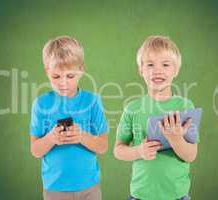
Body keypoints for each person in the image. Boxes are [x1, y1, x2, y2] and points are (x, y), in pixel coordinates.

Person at [114, 35, 199, 200]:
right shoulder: (132, 109)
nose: (157, 70)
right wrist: (139, 151)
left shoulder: (186, 106)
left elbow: (191, 155)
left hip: (177, 195)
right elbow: (118, 150)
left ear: (176, 70)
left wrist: (176, 139)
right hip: (140, 195)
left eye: (166, 65)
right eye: (150, 64)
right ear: (141, 70)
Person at [29, 36, 109, 200]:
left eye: (70, 76)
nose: (63, 83)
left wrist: (82, 136)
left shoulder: (92, 101)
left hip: (90, 187)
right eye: (56, 77)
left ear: (81, 70)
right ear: (46, 71)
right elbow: (35, 150)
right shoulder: (41, 104)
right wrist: (51, 138)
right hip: (54, 188)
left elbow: (103, 146)